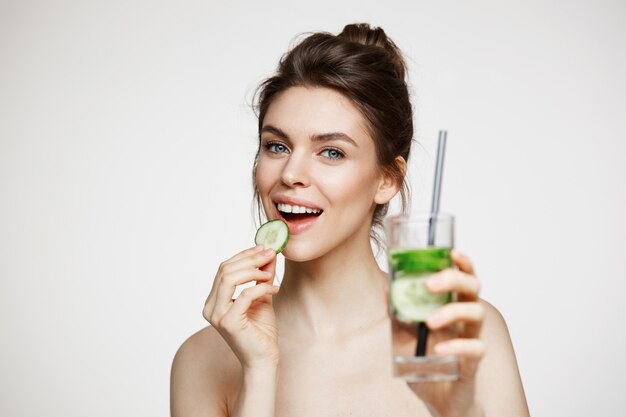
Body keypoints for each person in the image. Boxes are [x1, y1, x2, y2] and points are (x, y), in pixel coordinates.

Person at [170, 23, 530, 417]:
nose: (291, 173)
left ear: (387, 180)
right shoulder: (203, 361)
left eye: (332, 152)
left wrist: (460, 411)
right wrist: (258, 371)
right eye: (277, 146)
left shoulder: (457, 334)